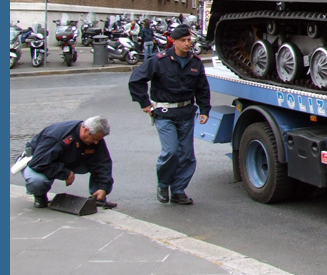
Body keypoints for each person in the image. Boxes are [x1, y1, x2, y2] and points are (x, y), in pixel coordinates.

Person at [128, 23, 210, 205]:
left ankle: (178, 190)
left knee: (187, 156)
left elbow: (202, 88)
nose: (188, 43)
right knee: (171, 152)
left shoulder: (195, 62)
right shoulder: (159, 61)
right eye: (183, 40)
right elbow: (136, 80)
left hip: (186, 113)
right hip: (165, 114)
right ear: (174, 41)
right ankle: (163, 184)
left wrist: (205, 109)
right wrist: (144, 103)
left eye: (189, 40)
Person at [21, 117, 114, 209]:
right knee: (37, 180)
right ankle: (40, 196)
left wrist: (103, 187)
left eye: (99, 139)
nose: (96, 142)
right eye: (94, 139)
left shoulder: (95, 137)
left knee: (97, 163)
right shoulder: (57, 135)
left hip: (69, 159)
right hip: (39, 161)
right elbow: (38, 163)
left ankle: (97, 196)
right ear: (85, 130)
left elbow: (102, 163)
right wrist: (65, 173)